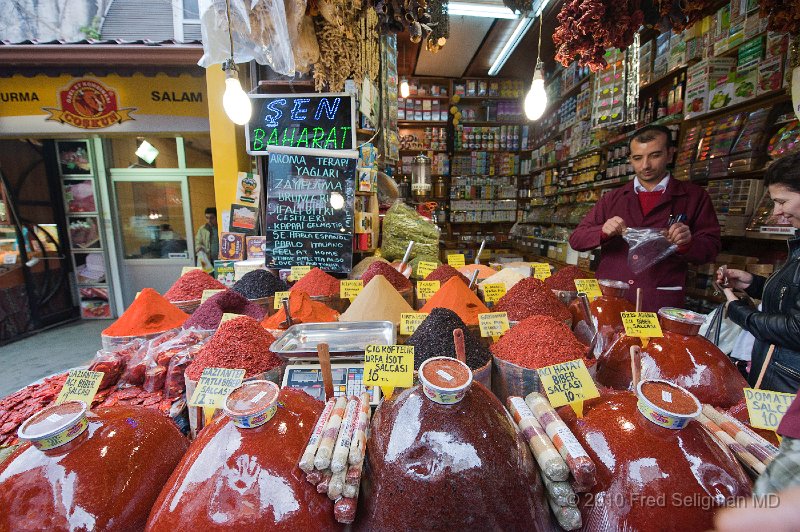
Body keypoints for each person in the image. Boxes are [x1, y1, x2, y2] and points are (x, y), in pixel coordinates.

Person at [569, 124, 721, 312]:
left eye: (655, 155)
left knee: (655, 342)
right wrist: (602, 231)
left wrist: (686, 243)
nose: (645, 165)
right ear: (630, 159)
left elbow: (711, 248)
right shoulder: (612, 198)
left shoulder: (694, 196)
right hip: (610, 300)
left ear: (670, 153)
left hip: (657, 301)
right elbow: (576, 239)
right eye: (638, 158)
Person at [717, 151, 800, 393]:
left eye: (782, 201)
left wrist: (739, 312)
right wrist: (753, 284)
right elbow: (792, 298)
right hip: (781, 376)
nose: (776, 212)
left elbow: (796, 329)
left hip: (790, 384)